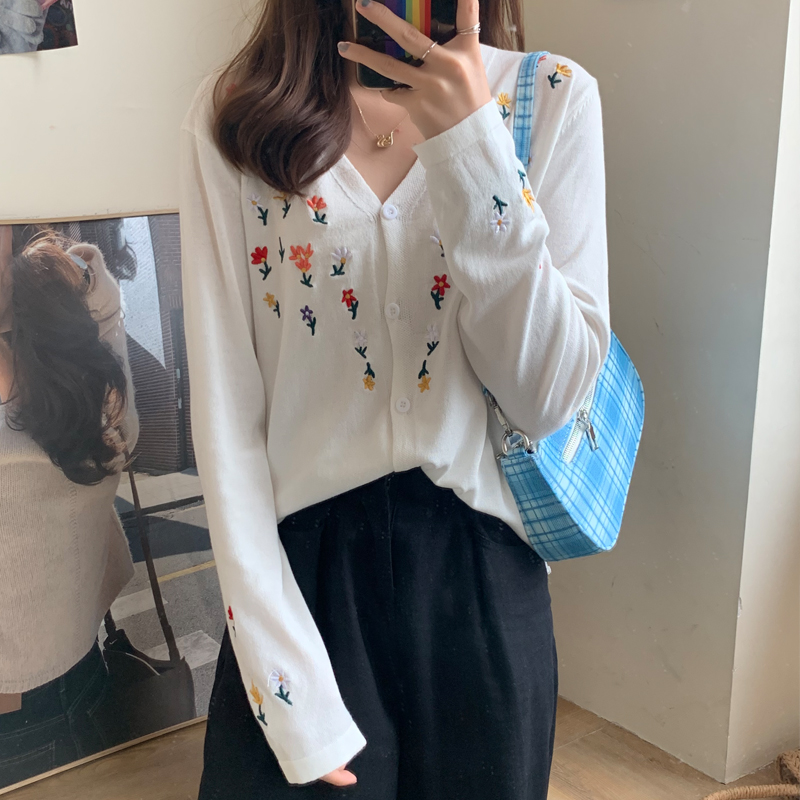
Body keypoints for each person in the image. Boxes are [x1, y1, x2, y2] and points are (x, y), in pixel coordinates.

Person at [179, 0, 610, 797]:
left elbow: (548, 396)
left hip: (482, 584)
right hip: (302, 584)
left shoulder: (550, 97)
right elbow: (226, 416)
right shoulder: (238, 113)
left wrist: (472, 144)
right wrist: (282, 680)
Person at [0, 227, 139, 789]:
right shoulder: (62, 317)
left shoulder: (52, 308)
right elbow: (121, 434)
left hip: (35, 699)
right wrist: (92, 295)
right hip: (67, 674)